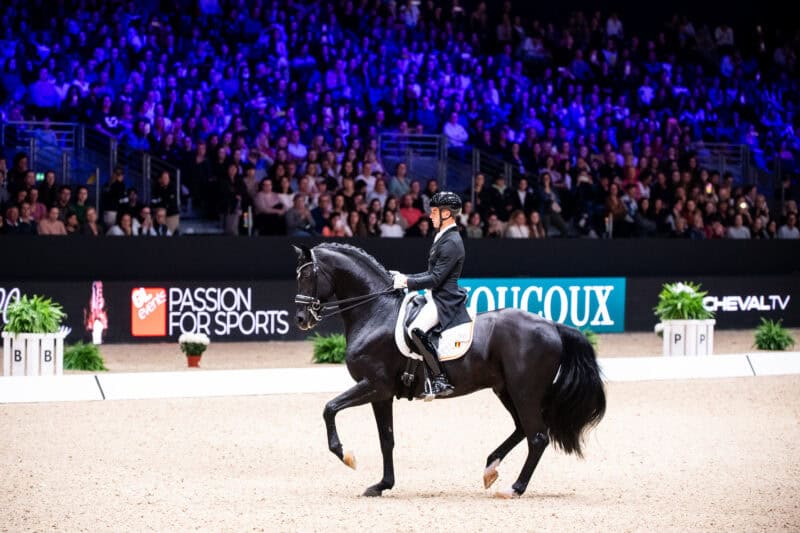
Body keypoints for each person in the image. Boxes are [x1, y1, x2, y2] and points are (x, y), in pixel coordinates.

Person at [391, 191, 471, 398]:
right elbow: (430, 273)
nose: (431, 215)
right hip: (435, 293)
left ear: (447, 214)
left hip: (444, 298)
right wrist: (406, 276)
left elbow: (435, 278)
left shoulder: (452, 242)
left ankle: (440, 379)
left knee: (416, 329)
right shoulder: (442, 236)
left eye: (435, 211)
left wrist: (407, 282)